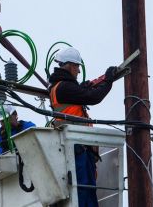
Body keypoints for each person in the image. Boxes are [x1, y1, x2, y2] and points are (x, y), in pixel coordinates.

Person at [48, 47, 117, 207]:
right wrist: (108, 81)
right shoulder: (64, 88)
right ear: (70, 66)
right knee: (84, 194)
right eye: (77, 66)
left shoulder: (58, 87)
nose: (79, 71)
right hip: (79, 149)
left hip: (75, 147)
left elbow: (79, 93)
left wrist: (86, 86)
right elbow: (93, 97)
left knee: (82, 192)